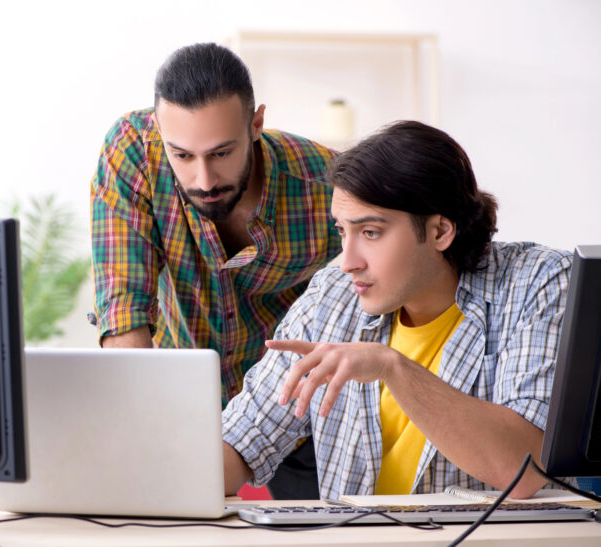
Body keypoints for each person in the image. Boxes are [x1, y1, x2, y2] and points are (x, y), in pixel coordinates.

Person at [222, 120, 572, 500]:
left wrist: (391, 366)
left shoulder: (539, 281)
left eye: (370, 232)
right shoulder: (333, 294)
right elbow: (244, 437)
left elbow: (523, 469)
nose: (348, 261)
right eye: (342, 231)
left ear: (440, 232)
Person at [90, 42, 341, 499]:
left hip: (295, 418)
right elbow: (123, 305)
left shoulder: (325, 184)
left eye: (222, 153)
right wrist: (132, 438)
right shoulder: (134, 152)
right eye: (182, 156)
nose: (203, 180)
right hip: (175, 407)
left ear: (257, 124)